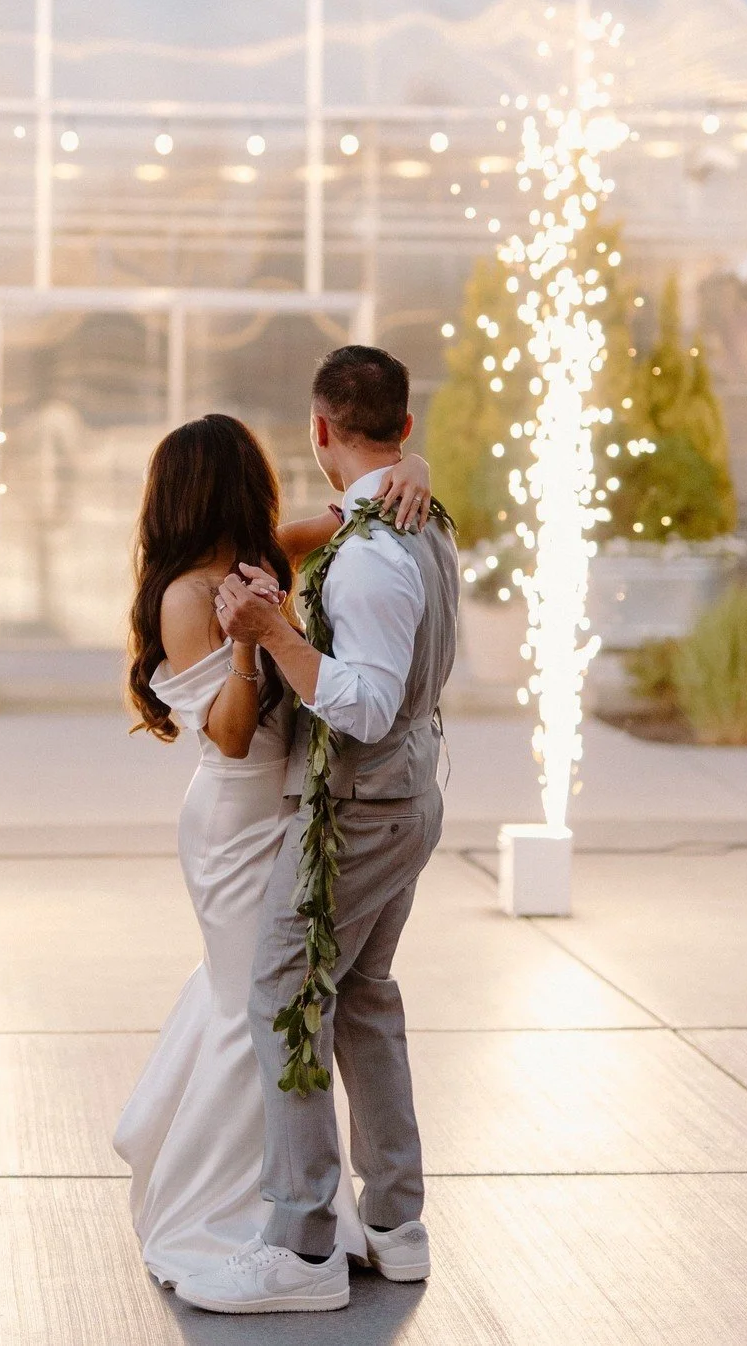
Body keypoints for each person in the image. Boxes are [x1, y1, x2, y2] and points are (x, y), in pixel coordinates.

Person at [114, 410, 434, 1289]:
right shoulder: (186, 595)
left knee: (280, 995)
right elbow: (223, 735)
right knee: (249, 998)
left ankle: (290, 1203)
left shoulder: (265, 557)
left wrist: (418, 468)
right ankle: (227, 1209)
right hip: (231, 819)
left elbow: (360, 510)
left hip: (289, 811)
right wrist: (252, 645)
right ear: (228, 485)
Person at [174, 345, 459, 1317]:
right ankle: (397, 1224)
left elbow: (367, 707)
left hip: (361, 806)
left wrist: (274, 634)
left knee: (285, 992)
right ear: (405, 432)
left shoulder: (376, 550)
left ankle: (299, 1243)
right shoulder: (412, 519)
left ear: (321, 428)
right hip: (409, 799)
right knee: (367, 995)